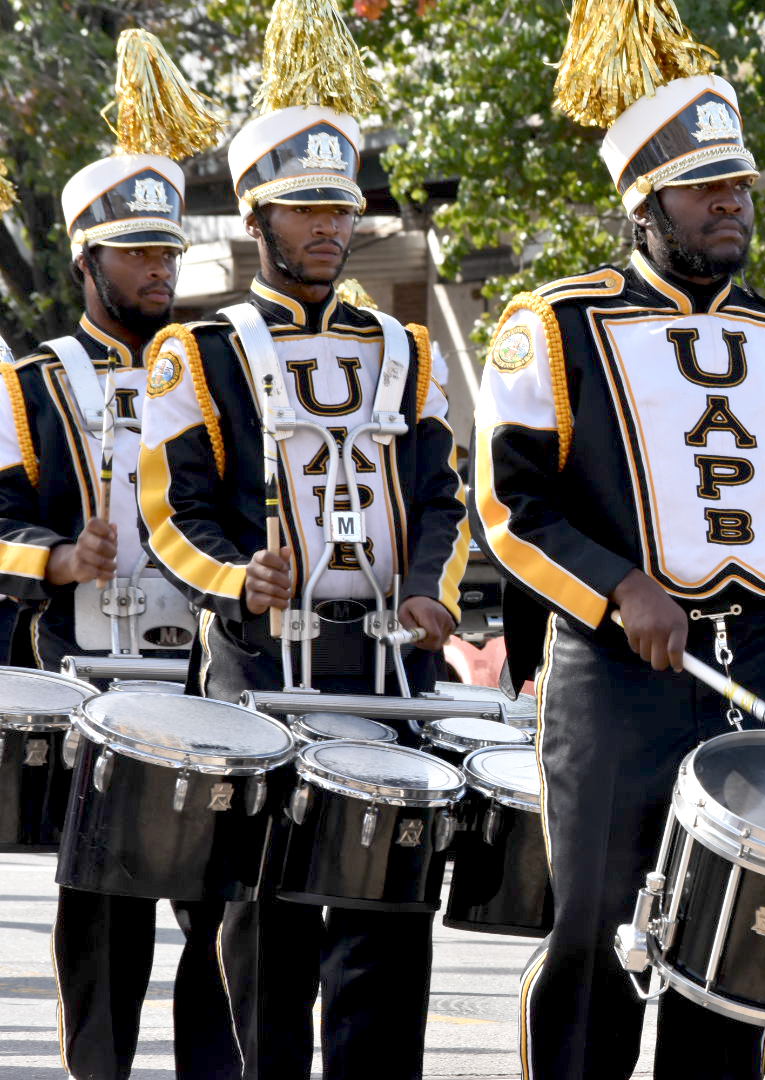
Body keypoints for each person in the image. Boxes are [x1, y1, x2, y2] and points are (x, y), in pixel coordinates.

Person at [473, 4, 765, 1076]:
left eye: (740, 185)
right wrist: (620, 586)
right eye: (705, 186)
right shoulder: (553, 324)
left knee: (735, 959)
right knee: (599, 944)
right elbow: (510, 513)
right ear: (643, 202)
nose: (731, 203)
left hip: (756, 672)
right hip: (614, 680)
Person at [136, 2, 468, 1075]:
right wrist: (241, 578)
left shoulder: (404, 349)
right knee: (265, 929)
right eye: (304, 211)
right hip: (256, 669)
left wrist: (430, 588)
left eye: (341, 210)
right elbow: (168, 517)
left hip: (381, 671)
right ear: (253, 222)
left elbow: (443, 497)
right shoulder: (195, 353)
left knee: (386, 926)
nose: (330, 229)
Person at [0, 31, 238, 1079]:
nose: (158, 271)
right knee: (103, 928)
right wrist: (54, 559)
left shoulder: (226, 367)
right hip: (94, 680)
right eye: (138, 254)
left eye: (168, 252)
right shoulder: (34, 380)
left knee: (226, 918)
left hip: (217, 678)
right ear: (88, 261)